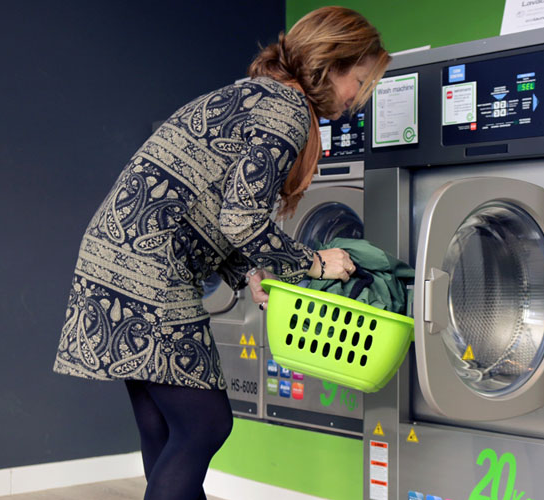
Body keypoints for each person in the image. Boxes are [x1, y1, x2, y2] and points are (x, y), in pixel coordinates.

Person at [52, 6, 390, 500]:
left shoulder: (254, 95)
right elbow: (241, 217)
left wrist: (249, 274)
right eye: (358, 81)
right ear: (330, 64)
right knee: (205, 425)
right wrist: (315, 262)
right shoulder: (288, 112)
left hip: (114, 256)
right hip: (150, 267)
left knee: (166, 431)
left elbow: (217, 206)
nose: (356, 99)